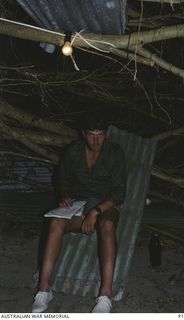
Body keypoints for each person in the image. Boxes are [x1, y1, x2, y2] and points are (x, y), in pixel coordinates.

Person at [32, 110, 126, 313]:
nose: (96, 140)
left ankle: (105, 296)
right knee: (55, 222)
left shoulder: (115, 152)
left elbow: (119, 193)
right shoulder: (72, 151)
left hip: (105, 206)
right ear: (83, 134)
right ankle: (43, 291)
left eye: (100, 134)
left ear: (106, 134)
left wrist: (95, 212)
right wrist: (64, 195)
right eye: (91, 134)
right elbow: (63, 181)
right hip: (78, 205)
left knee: (107, 225)